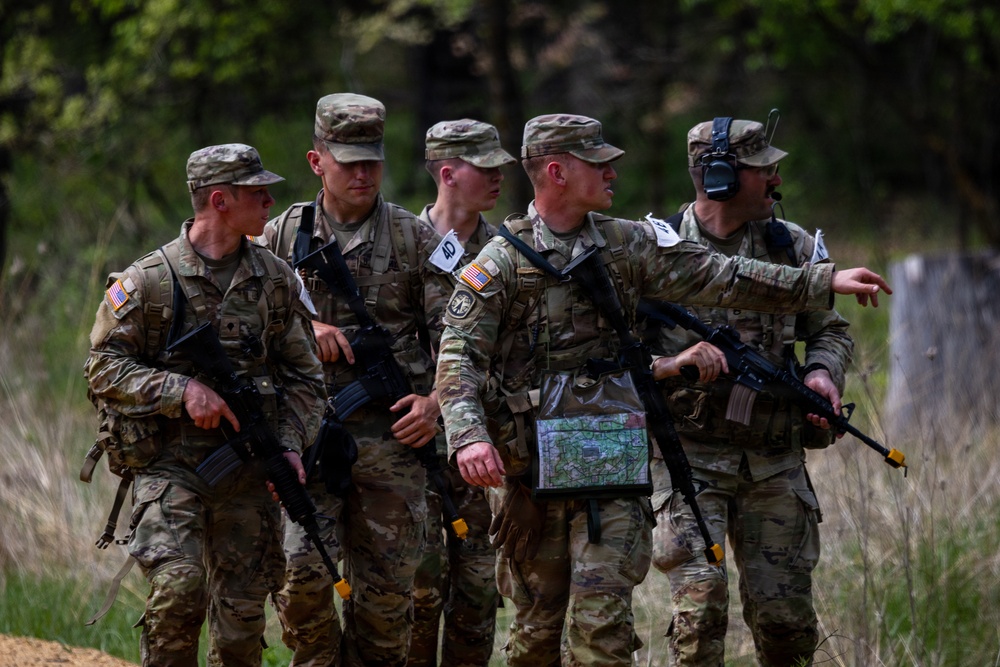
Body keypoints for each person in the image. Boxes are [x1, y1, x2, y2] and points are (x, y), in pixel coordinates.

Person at [434, 114, 890, 666]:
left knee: (603, 628)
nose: (613, 170)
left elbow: (720, 275)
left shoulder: (630, 245)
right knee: (535, 634)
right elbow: (458, 357)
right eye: (598, 163)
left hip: (612, 460)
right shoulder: (498, 264)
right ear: (556, 171)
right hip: (530, 469)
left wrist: (821, 281)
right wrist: (467, 438)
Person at [84, 144, 326, 666]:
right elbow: (102, 367)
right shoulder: (149, 281)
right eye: (256, 192)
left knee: (240, 625)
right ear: (219, 200)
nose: (269, 201)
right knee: (178, 591)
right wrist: (182, 392)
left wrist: (288, 446)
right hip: (171, 467)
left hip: (249, 470)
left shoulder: (276, 279)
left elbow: (306, 377)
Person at [643, 117, 852, 667]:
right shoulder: (653, 251)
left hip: (773, 460)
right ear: (718, 178)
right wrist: (672, 364)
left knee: (786, 620)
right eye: (763, 171)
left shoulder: (791, 246)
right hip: (687, 457)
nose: (776, 181)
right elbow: (613, 356)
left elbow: (828, 329)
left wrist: (822, 373)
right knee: (701, 606)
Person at [264, 93, 451, 666]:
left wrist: (436, 402)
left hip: (394, 445)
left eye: (373, 159)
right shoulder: (279, 235)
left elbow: (465, 337)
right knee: (300, 584)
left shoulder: (417, 239)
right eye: (349, 161)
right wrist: (307, 322)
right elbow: (244, 322)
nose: (364, 173)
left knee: (386, 605)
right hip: (309, 441)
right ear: (317, 161)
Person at [408, 119, 516, 667]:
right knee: (419, 594)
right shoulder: (403, 244)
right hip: (412, 453)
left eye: (501, 167)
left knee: (477, 595)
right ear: (448, 173)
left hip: (484, 449)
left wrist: (442, 402)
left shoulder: (507, 251)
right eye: (485, 167)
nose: (499, 177)